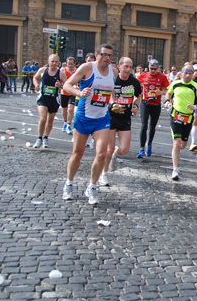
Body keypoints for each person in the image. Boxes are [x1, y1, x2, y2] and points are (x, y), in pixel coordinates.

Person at [62, 44, 118, 204]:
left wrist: (113, 103)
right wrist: (80, 92)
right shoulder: (87, 68)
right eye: (104, 54)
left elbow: (111, 92)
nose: (107, 58)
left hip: (102, 119)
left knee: (102, 154)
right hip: (83, 117)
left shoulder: (113, 72)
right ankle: (69, 183)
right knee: (77, 154)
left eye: (110, 56)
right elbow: (67, 85)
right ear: (97, 54)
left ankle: (92, 187)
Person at [100, 57, 142, 185]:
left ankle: (114, 155)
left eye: (130, 67)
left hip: (125, 118)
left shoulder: (134, 82)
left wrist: (136, 106)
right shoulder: (112, 80)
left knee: (124, 150)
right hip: (111, 117)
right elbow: (105, 95)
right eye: (125, 66)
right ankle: (104, 174)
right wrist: (112, 105)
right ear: (119, 66)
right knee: (109, 148)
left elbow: (138, 96)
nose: (128, 69)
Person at [164, 62, 197, 180]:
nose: (187, 75)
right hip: (175, 117)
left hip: (188, 118)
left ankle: (176, 164)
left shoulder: (196, 86)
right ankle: (175, 170)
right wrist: (167, 102)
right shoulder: (176, 84)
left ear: (193, 75)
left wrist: (195, 107)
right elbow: (168, 92)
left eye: (190, 73)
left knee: (183, 145)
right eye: (186, 73)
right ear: (182, 73)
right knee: (176, 144)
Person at [137, 59, 169, 158]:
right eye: (151, 69)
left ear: (158, 68)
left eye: (155, 69)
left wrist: (162, 93)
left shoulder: (162, 77)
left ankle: (149, 144)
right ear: (148, 68)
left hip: (156, 104)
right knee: (143, 125)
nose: (153, 71)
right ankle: (142, 148)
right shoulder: (144, 75)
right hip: (145, 103)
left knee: (152, 126)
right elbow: (136, 85)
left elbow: (169, 90)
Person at [32, 54, 62, 148]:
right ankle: (39, 138)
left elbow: (66, 84)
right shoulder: (42, 70)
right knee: (43, 118)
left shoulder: (60, 73)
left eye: (56, 62)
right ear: (48, 62)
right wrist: (36, 85)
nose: (54, 63)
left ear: (58, 63)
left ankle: (46, 137)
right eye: (52, 61)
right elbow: (35, 78)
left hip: (54, 99)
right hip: (43, 98)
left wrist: (60, 85)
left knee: (50, 120)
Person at [60, 57, 78, 135]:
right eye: (68, 64)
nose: (70, 65)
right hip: (64, 92)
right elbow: (59, 81)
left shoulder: (77, 71)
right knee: (64, 109)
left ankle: (68, 125)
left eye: (71, 64)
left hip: (73, 92)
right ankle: (65, 122)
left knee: (71, 109)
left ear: (74, 64)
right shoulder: (62, 71)